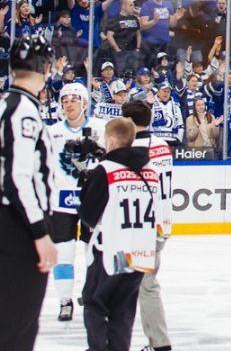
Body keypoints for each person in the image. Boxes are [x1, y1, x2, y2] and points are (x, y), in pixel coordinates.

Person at [79, 116, 158, 351]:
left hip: (110, 250)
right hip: (140, 250)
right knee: (123, 309)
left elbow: (89, 215)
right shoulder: (151, 170)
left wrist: (87, 186)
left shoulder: (106, 170)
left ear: (112, 140)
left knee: (95, 302)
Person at [1, 36, 60, 350]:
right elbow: (17, 177)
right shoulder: (22, 111)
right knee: (18, 325)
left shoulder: (8, 105)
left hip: (11, 222)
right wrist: (40, 232)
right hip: (17, 227)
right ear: (46, 68)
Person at [46, 81, 106, 322]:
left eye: (74, 99)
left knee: (93, 253)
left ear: (84, 102)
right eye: (65, 100)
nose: (69, 104)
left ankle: (92, 296)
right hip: (61, 203)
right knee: (64, 254)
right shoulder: (51, 132)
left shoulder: (101, 128)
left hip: (92, 202)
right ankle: (65, 301)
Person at [121, 101, 173, 351]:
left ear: (128, 123)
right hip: (162, 222)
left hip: (141, 226)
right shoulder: (161, 145)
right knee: (143, 284)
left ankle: (160, 344)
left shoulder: (132, 150)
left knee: (145, 286)